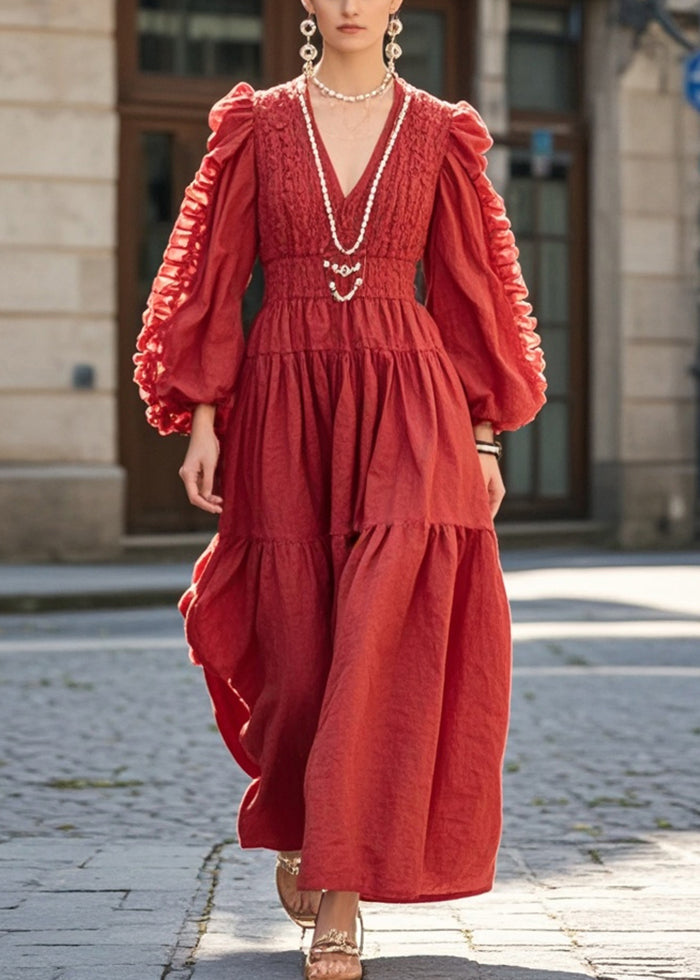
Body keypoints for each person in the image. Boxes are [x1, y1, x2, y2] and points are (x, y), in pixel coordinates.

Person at [134, 1, 547, 977]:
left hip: (412, 401)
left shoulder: (441, 131)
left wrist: (483, 432)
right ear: (309, 4)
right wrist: (201, 414)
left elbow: (469, 287)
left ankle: (343, 899)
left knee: (381, 635)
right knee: (299, 639)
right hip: (283, 395)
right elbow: (211, 273)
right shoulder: (257, 125)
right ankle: (303, 819)